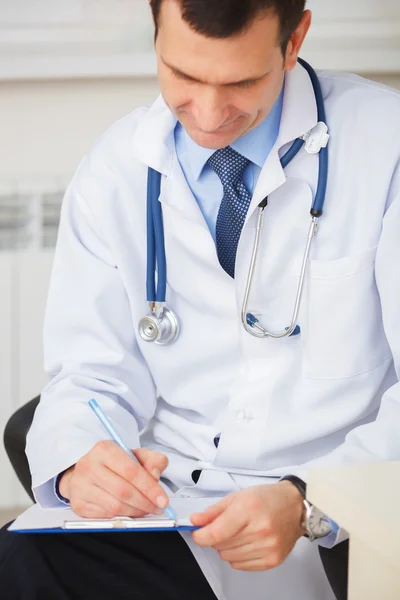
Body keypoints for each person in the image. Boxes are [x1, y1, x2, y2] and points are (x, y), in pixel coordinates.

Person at [1, 0, 399, 598]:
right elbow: (88, 374)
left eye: (242, 82)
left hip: (337, 522)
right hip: (171, 510)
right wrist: (83, 460)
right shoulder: (117, 170)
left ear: (294, 41)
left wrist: (309, 502)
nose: (209, 115)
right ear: (155, 32)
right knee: (17, 562)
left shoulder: (385, 148)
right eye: (182, 75)